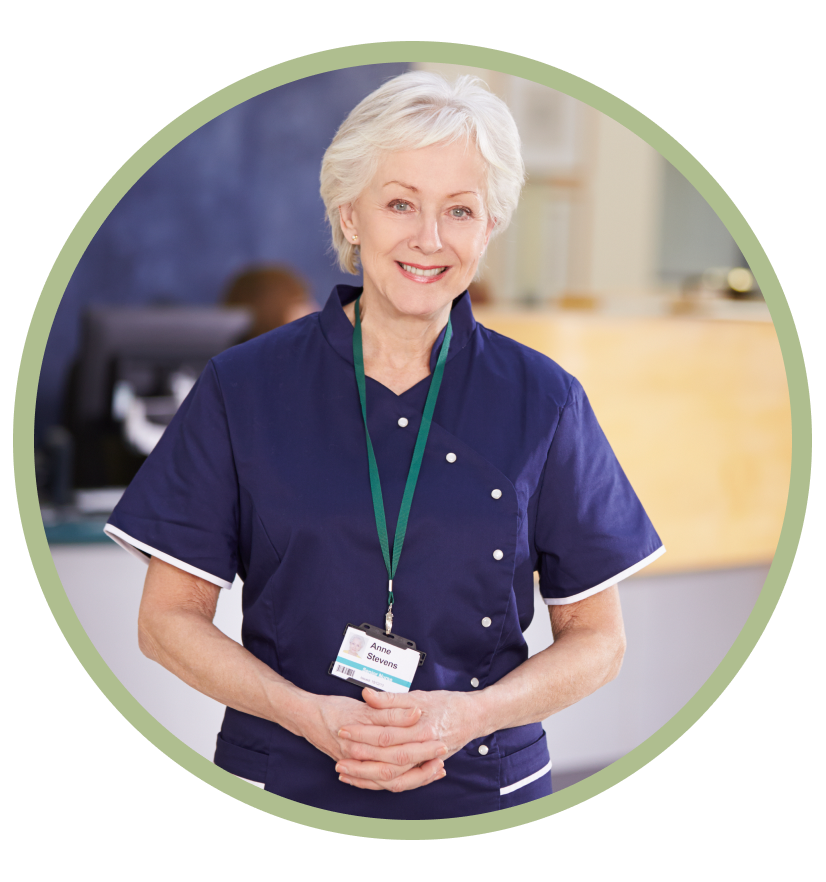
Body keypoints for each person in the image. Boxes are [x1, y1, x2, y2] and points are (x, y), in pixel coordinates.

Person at [104, 71, 664, 819]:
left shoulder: (546, 399)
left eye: (460, 210)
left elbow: (599, 640)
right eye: (401, 202)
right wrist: (305, 712)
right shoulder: (242, 388)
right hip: (279, 779)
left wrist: (465, 717)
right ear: (350, 214)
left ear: (489, 225)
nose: (430, 239)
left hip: (488, 789)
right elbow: (165, 621)